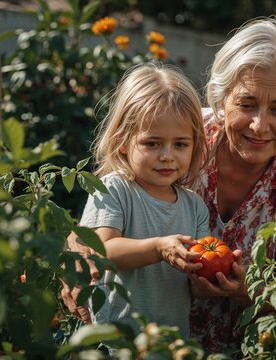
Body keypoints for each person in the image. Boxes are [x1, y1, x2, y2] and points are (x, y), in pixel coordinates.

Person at [61, 18, 276, 355]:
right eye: (246, 104)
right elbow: (108, 199)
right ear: (222, 96)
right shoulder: (181, 131)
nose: (260, 125)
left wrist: (242, 288)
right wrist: (74, 251)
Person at [72, 62, 212, 339]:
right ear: (123, 140)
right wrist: (159, 248)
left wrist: (211, 276)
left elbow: (195, 286)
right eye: (152, 143)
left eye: (180, 144)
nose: (167, 155)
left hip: (171, 343)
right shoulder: (114, 189)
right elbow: (102, 252)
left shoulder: (195, 206)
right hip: (116, 341)